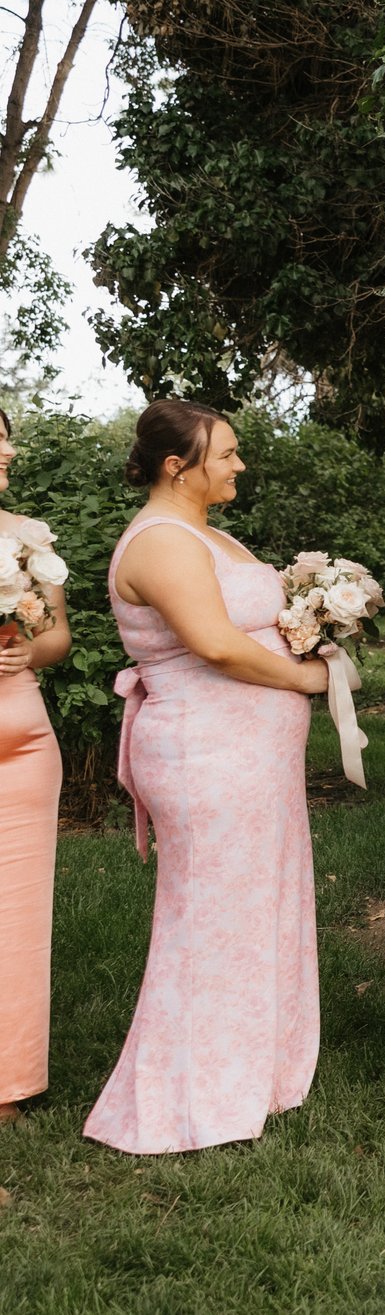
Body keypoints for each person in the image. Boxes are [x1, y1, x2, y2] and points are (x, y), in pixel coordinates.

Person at [86, 401, 330, 1155]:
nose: (238, 464)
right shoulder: (159, 543)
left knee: (262, 911)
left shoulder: (209, 532)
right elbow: (218, 646)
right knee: (214, 923)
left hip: (254, 758)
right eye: (225, 453)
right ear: (176, 465)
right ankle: (192, 1095)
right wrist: (307, 678)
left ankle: (258, 1073)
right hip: (205, 755)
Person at [0, 408, 71, 1127]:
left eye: (6, 436)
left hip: (24, 742)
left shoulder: (30, 539)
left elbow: (59, 636)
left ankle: (8, 1079)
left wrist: (29, 650)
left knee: (17, 914)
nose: (7, 449)